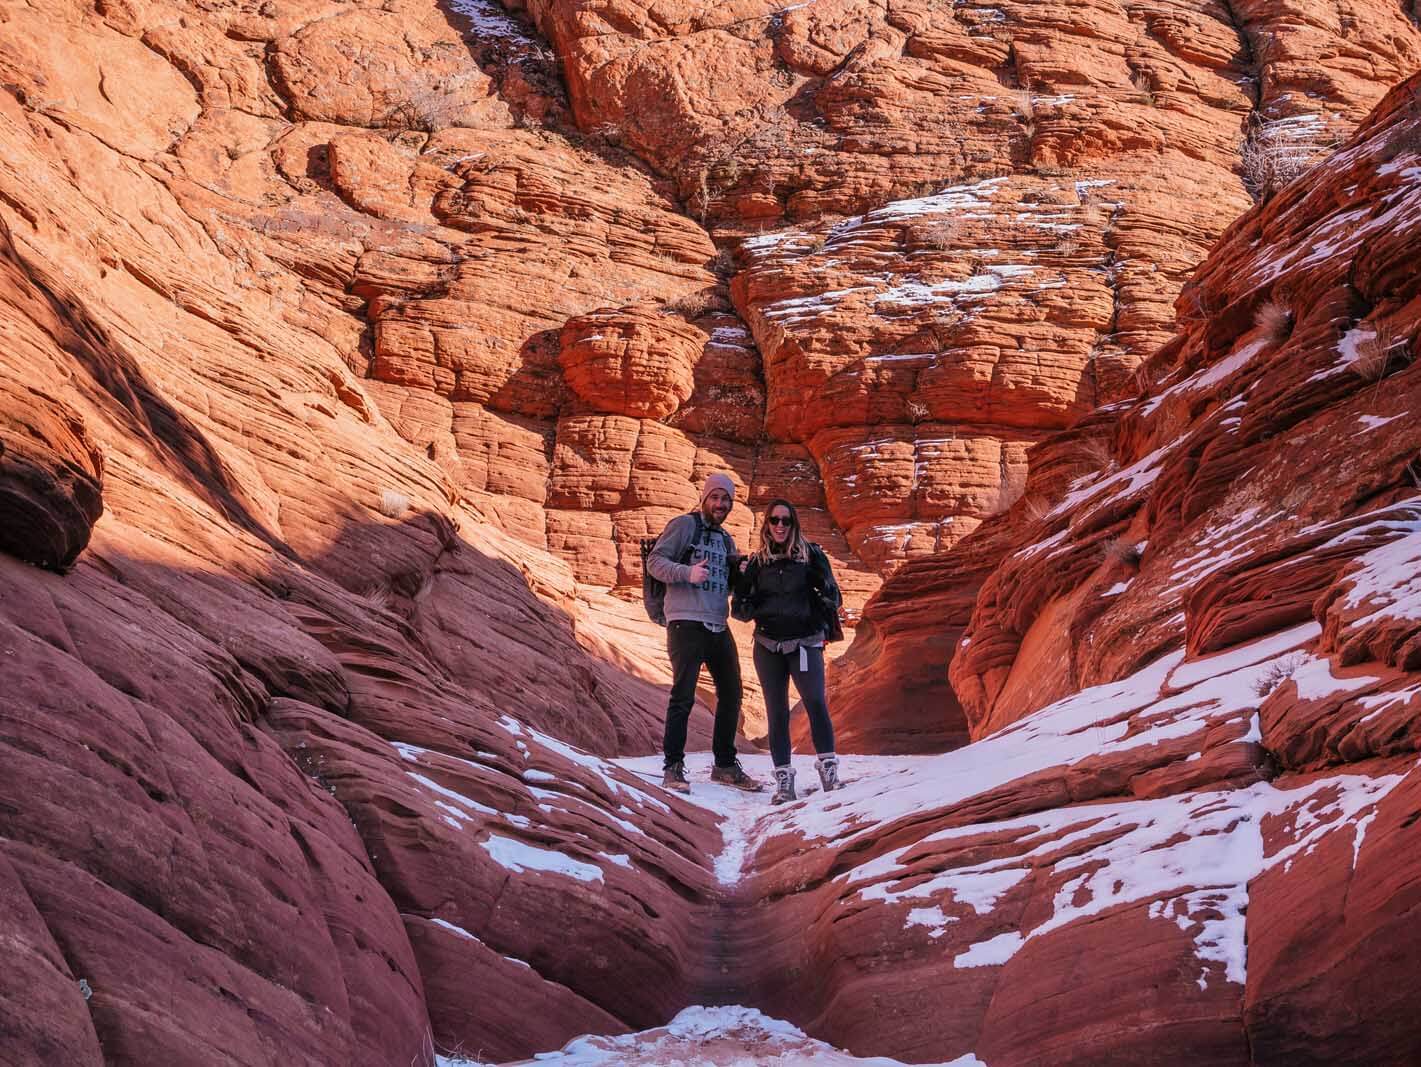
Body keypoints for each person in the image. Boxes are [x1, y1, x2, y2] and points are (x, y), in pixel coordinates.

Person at [646, 474, 764, 794]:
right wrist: (687, 573)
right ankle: (673, 768)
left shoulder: (726, 540)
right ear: (704, 498)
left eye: (726, 499)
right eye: (715, 497)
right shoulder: (684, 526)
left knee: (732, 693)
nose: (720, 504)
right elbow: (655, 562)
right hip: (685, 622)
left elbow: (722, 587)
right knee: (683, 696)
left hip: (717, 624)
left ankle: (724, 765)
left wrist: (738, 576)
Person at [732, 499, 843, 804]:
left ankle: (830, 773)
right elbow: (739, 609)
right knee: (777, 712)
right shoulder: (756, 564)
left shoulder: (811, 555)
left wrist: (818, 608)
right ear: (766, 524)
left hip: (805, 642)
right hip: (768, 645)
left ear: (794, 524)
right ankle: (784, 781)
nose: (780, 526)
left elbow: (834, 597)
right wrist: (753, 603)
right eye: (774, 521)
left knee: (815, 703)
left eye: (786, 521)